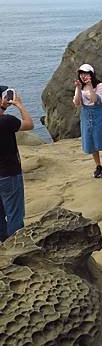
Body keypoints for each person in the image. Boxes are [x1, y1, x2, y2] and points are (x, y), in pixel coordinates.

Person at [0, 93, 33, 241]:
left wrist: (3, 107)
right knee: (14, 215)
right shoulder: (7, 121)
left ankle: (4, 245)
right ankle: (17, 248)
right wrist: (19, 105)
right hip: (9, 174)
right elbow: (29, 124)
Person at [73, 64, 102, 178]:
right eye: (81, 74)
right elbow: (77, 103)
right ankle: (98, 165)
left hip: (98, 114)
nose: (83, 76)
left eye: (86, 74)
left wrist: (89, 85)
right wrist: (78, 88)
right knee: (91, 141)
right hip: (86, 114)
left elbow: (95, 101)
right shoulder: (80, 86)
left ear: (91, 74)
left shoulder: (99, 86)